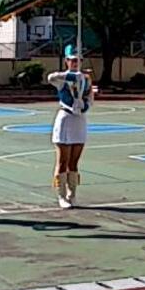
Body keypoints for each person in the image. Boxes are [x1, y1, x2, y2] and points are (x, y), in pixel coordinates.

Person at [47, 44, 93, 209]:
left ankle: (72, 194)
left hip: (79, 119)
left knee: (74, 161)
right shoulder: (62, 79)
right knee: (62, 160)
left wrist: (84, 106)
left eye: (78, 60)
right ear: (66, 61)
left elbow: (90, 99)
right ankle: (61, 196)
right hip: (66, 118)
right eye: (72, 60)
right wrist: (70, 76)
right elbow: (50, 78)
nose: (76, 63)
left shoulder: (85, 79)